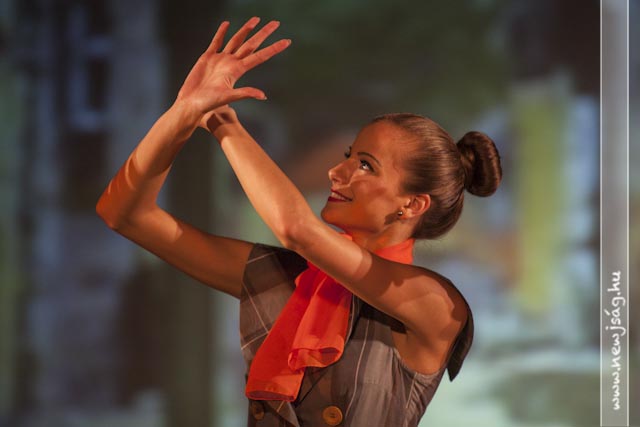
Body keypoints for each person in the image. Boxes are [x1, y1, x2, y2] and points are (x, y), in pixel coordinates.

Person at [97, 17, 503, 427]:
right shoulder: (283, 279)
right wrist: (184, 112)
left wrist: (222, 121)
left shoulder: (435, 303)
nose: (336, 172)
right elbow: (125, 214)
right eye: (348, 156)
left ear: (412, 205)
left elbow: (297, 230)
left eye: (365, 165)